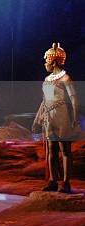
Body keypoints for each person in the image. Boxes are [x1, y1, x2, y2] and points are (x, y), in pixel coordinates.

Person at [32, 43, 81, 193]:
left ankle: (66, 182)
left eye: (47, 59)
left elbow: (73, 99)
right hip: (49, 117)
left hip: (62, 115)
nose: (45, 62)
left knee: (65, 150)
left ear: (54, 61)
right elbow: (44, 100)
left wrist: (75, 117)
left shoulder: (65, 78)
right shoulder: (47, 79)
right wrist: (37, 119)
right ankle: (53, 181)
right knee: (51, 150)